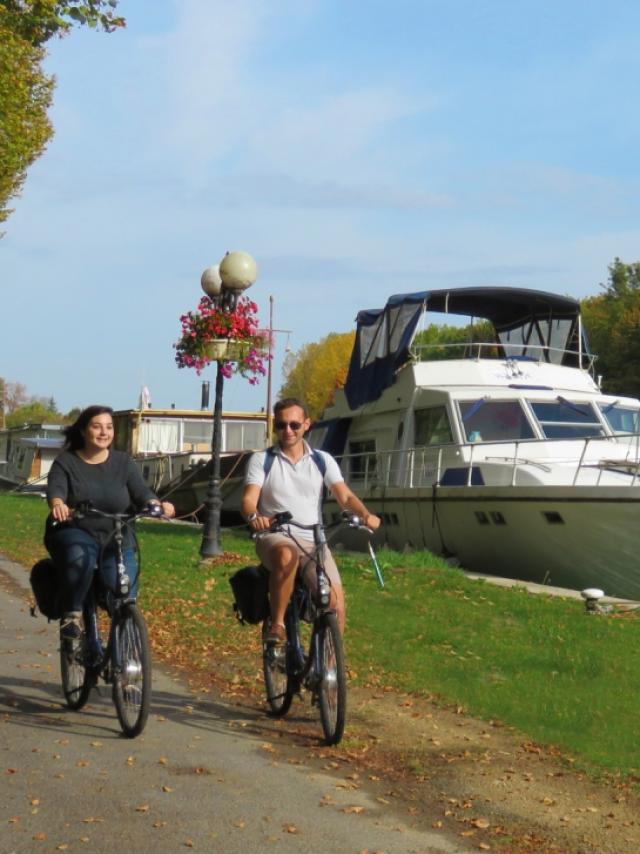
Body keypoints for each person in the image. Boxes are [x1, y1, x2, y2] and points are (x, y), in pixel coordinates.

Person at [241, 397, 380, 645]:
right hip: (275, 536)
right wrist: (255, 517)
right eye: (281, 425)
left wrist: (365, 515)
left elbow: (344, 496)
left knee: (335, 604)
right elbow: (249, 499)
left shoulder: (322, 460)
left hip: (313, 541)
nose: (288, 430)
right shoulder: (262, 460)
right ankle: (278, 625)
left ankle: (329, 665)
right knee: (287, 555)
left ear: (306, 425)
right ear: (275, 426)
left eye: (294, 425)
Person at [45, 405, 175, 643]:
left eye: (109, 427)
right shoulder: (66, 462)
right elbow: (56, 489)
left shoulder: (123, 462)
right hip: (76, 530)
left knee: (124, 594)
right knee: (79, 558)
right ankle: (72, 615)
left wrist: (155, 504)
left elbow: (141, 491)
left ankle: (125, 657)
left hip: (116, 535)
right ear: (83, 431)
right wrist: (58, 504)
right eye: (97, 427)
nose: (104, 432)